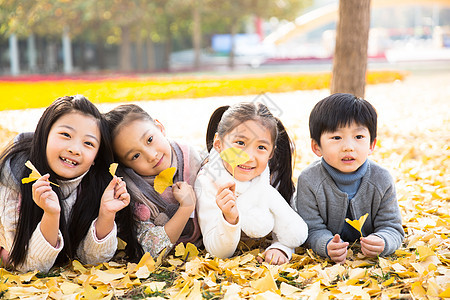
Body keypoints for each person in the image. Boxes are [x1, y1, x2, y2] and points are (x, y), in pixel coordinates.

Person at [0, 95, 130, 273]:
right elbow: (29, 266)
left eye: (88, 143)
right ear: (44, 135)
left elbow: (92, 260)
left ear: (95, 158)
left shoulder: (96, 184)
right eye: (66, 135)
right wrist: (51, 215)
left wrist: (106, 214)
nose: (74, 149)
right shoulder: (14, 180)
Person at [295, 93, 404, 264]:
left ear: (371, 145)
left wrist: (383, 241)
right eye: (336, 138)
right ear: (317, 147)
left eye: (358, 137)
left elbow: (392, 227)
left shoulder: (381, 179)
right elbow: (310, 228)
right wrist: (326, 244)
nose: (348, 147)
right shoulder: (309, 180)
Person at [195, 102, 308, 265]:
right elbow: (217, 251)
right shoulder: (209, 182)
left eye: (261, 147)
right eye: (240, 143)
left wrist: (281, 247)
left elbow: (289, 225)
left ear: (271, 153)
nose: (248, 157)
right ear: (219, 144)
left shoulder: (270, 175)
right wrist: (229, 219)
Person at [104, 104, 202, 260]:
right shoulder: (132, 192)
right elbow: (150, 249)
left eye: (149, 139)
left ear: (160, 127)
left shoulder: (191, 157)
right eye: (135, 156)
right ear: (124, 165)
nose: (151, 155)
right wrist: (186, 208)